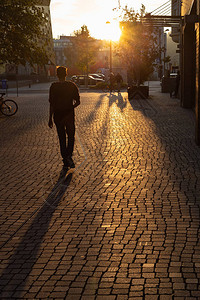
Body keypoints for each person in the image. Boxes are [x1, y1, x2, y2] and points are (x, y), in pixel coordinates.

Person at [48, 66, 80, 170]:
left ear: (57, 75)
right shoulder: (71, 85)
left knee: (61, 137)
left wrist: (50, 118)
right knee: (71, 136)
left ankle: (65, 159)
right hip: (69, 115)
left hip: (58, 115)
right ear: (66, 74)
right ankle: (69, 156)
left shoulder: (53, 86)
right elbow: (78, 101)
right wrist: (71, 107)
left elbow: (52, 103)